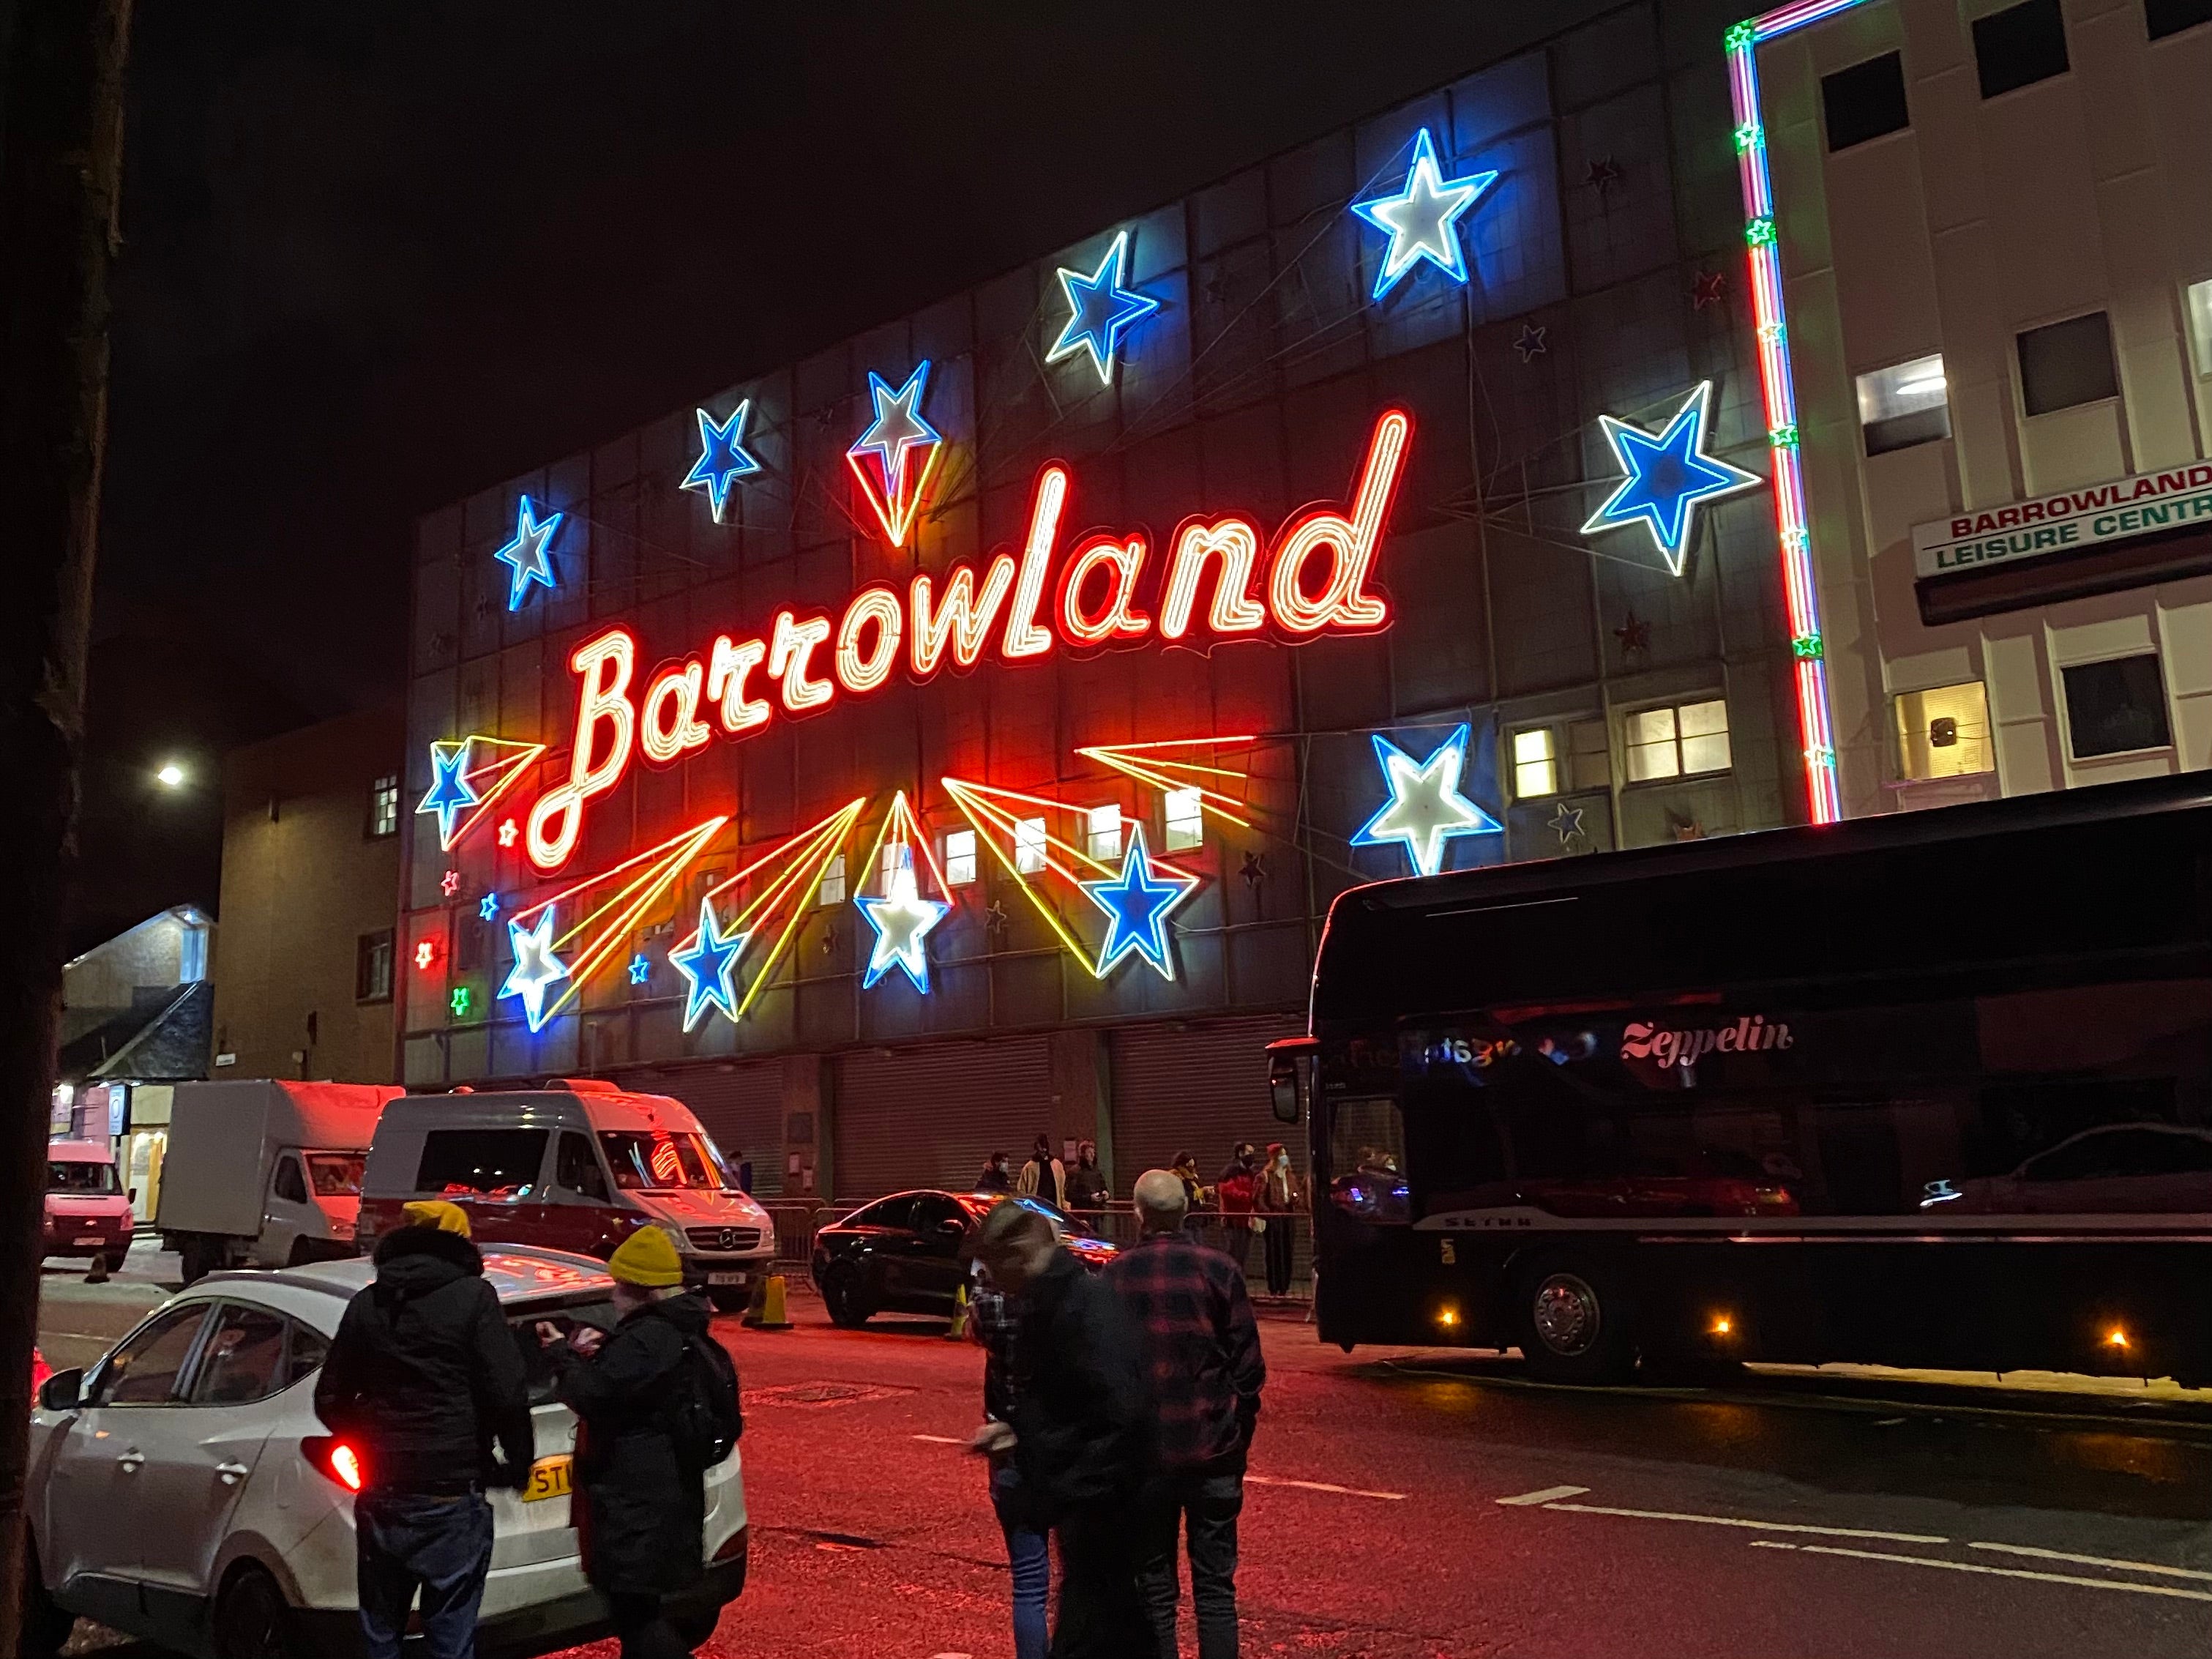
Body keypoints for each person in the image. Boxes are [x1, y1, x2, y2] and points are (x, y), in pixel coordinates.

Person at [314, 1199, 533, 1659]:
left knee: (381, 1629)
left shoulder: (367, 1304)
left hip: (385, 1489)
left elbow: (330, 1398)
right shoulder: (474, 1299)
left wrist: (371, 1442)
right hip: (452, 1487)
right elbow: (507, 1392)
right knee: (451, 1633)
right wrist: (516, 1461)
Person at [972, 1199, 1149, 1658]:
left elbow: (1121, 1412)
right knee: (1119, 1630)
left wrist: (1059, 1476)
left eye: (993, 1268)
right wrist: (1018, 1435)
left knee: (1092, 1630)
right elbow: (1063, 1403)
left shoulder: (1075, 1306)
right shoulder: (1054, 1300)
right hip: (1089, 1508)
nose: (991, 1281)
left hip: (1098, 1509)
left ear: (1017, 1254)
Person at [1108, 1171, 1265, 1659]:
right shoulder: (1218, 1270)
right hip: (1213, 1448)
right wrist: (1237, 1432)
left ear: (1138, 1214)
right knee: (1216, 1591)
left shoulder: (1115, 1275)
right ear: (1185, 1212)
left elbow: (1101, 1368)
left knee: (1154, 1588)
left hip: (1145, 1458)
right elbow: (1249, 1368)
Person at [539, 1226, 714, 1658]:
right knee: (641, 1612)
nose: (613, 1297)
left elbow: (595, 1397)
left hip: (636, 1501)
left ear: (640, 1291)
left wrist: (562, 1353)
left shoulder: (648, 1339)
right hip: (663, 1492)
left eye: (620, 1288)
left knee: (636, 1616)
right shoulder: (677, 1328)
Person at [969, 1262, 1049, 1659]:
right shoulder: (1056, 1306)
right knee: (1083, 1580)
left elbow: (973, 1326)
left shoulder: (988, 1308)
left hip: (1010, 1453)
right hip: (1058, 1451)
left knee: (1029, 1582)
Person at [1255, 1144, 1301, 1298]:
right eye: (1281, 1155)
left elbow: (1296, 1194)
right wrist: (1269, 1214)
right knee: (1274, 1253)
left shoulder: (1290, 1175)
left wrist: (1296, 1199)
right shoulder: (1265, 1176)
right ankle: (1274, 1288)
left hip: (1288, 1218)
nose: (1285, 1158)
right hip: (1274, 1218)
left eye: (1285, 1155)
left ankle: (1284, 1288)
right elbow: (1258, 1199)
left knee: (1287, 1252)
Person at [1214, 1144, 1258, 1275]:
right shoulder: (1230, 1172)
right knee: (1232, 1255)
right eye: (1249, 1152)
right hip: (1233, 1222)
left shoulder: (1251, 1173)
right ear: (1240, 1153)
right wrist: (1249, 1196)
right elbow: (1228, 1192)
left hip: (1247, 1222)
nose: (1252, 1155)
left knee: (1243, 1256)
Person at [1015, 1133, 1067, 1209]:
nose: (1042, 1153)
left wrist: (1064, 1205)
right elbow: (1022, 1191)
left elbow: (1062, 1189)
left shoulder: (1057, 1165)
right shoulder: (1030, 1167)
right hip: (1036, 1206)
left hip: (1054, 1205)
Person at [1064, 1140, 1107, 1213]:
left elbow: (1103, 1187)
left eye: (1093, 1153)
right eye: (1090, 1153)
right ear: (1083, 1154)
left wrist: (1106, 1194)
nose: (1092, 1155)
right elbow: (1070, 1196)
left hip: (1097, 1213)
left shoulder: (1096, 1171)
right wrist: (1089, 1198)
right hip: (1082, 1213)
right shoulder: (1074, 1172)